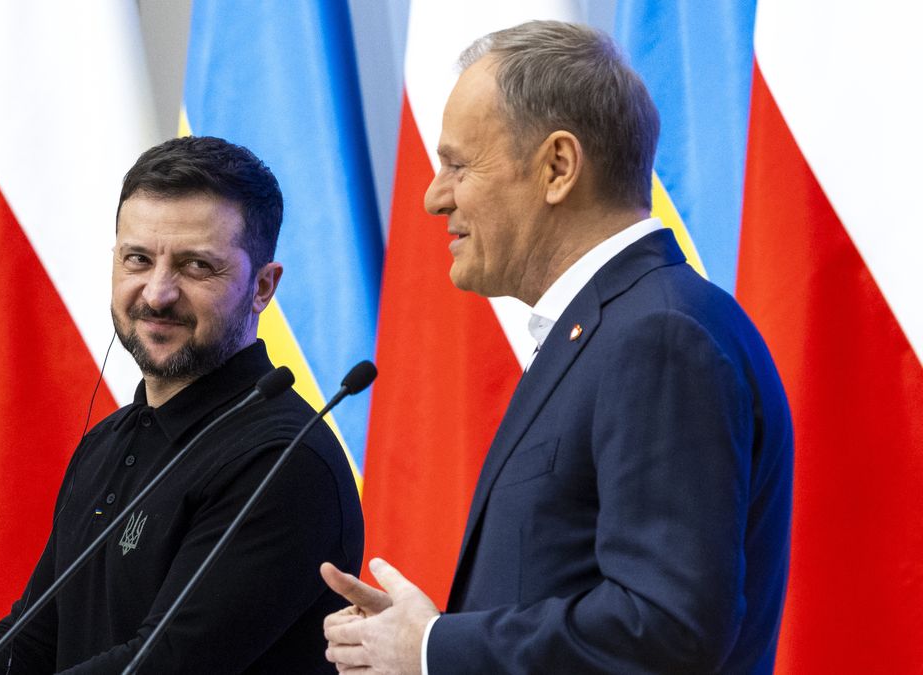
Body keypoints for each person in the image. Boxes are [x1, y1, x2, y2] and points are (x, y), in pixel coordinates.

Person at [321, 20, 792, 674]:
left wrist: (434, 648)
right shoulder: (619, 326)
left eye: (458, 164)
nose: (433, 197)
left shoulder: (658, 335)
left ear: (558, 166)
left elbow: (667, 627)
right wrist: (428, 638)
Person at [0, 136, 364, 673]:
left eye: (197, 266)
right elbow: (34, 637)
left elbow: (160, 666)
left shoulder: (283, 461)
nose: (157, 293)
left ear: (262, 287)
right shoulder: (108, 442)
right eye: (137, 259)